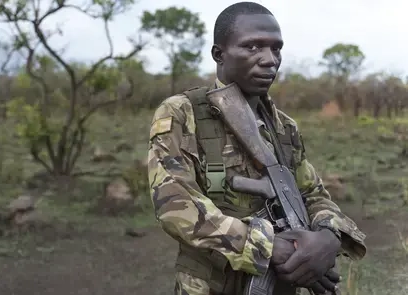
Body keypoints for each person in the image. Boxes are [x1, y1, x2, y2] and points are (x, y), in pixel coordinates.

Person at [147, 2, 367, 295]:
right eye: (253, 47)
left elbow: (313, 194)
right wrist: (268, 246)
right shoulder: (182, 113)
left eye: (276, 49)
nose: (269, 60)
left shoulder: (284, 126)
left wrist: (329, 236)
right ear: (219, 54)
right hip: (210, 286)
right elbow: (174, 204)